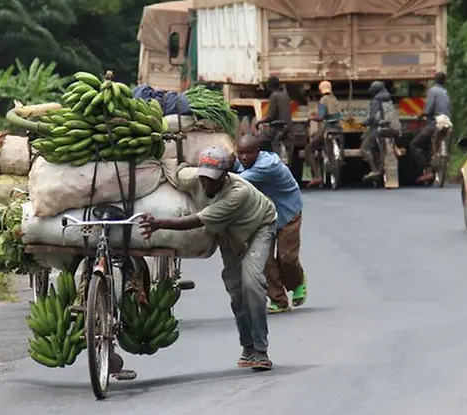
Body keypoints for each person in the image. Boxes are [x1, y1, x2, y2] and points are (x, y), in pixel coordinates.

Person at [139, 146, 278, 371]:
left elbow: (198, 221)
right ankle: (248, 346)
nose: (206, 184)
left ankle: (261, 350)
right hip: (229, 234)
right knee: (235, 290)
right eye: (203, 178)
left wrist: (159, 223)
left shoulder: (237, 192)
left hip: (258, 227)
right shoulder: (194, 179)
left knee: (252, 284)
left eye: (212, 180)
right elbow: (177, 172)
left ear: (225, 176)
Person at [233, 135, 307, 314]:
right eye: (240, 153)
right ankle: (279, 300)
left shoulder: (266, 166)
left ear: (257, 152)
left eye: (248, 153)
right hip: (264, 216)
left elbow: (236, 182)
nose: (243, 157)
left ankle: (298, 280)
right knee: (264, 258)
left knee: (287, 256)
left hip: (287, 212)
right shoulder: (243, 163)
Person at [410, 72, 451, 183]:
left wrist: (420, 117)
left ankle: (428, 170)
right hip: (446, 122)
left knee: (414, 145)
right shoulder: (445, 92)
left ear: (434, 80)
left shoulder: (433, 91)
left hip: (435, 122)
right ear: (444, 81)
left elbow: (428, 109)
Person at [303, 80, 342, 188]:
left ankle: (317, 176)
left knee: (308, 150)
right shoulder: (335, 100)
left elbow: (321, 117)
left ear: (321, 90)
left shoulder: (323, 100)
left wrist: (311, 118)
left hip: (327, 128)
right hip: (338, 128)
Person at [361, 81, 401, 182]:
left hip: (379, 129)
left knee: (365, 148)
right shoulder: (388, 99)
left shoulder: (376, 100)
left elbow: (373, 118)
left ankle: (374, 170)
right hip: (392, 129)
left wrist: (365, 123)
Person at [256, 76, 292, 155]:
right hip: (288, 128)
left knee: (256, 143)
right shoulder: (285, 95)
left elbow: (270, 116)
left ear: (269, 86)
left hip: (277, 128)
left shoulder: (274, 96)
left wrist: (259, 121)